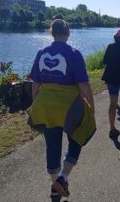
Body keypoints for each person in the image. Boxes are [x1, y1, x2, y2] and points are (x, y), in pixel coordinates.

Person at [28, 19, 96, 200]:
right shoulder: (74, 53)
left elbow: (35, 83)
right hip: (69, 104)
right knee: (80, 134)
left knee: (52, 144)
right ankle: (64, 177)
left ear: (52, 33)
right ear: (68, 33)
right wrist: (91, 105)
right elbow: (83, 84)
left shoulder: (41, 52)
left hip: (45, 104)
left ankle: (55, 183)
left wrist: (36, 103)